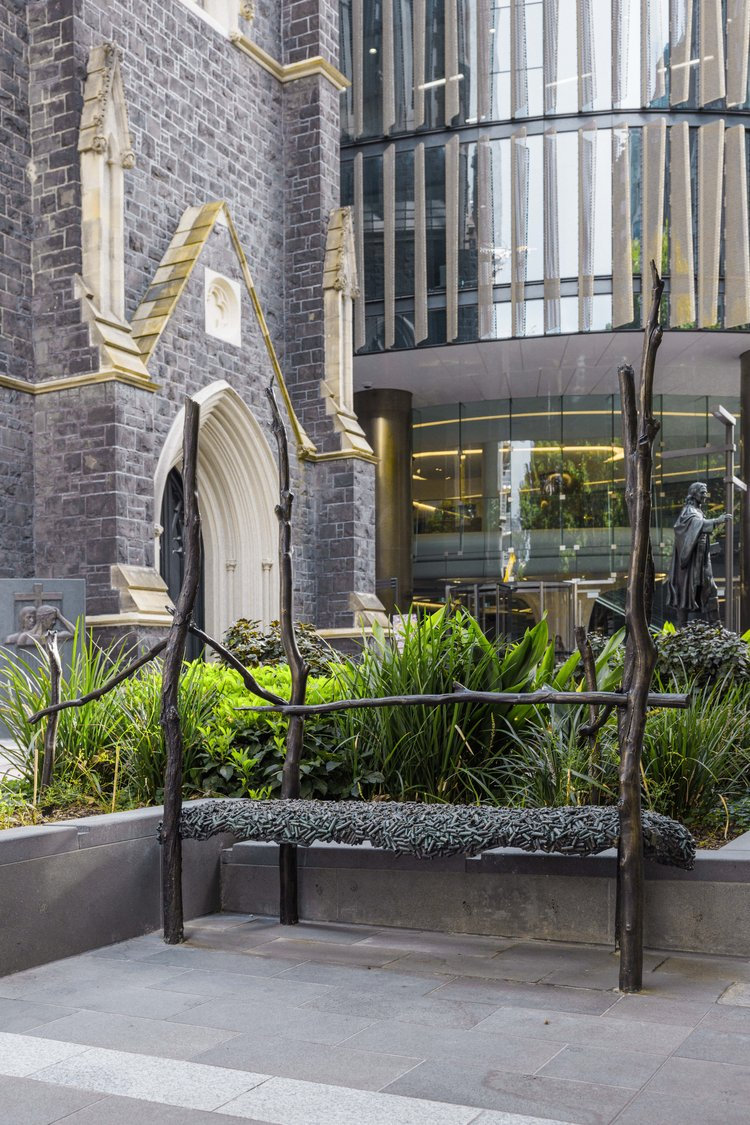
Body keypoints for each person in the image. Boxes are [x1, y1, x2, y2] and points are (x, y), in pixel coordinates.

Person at [666, 482, 730, 627]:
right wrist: (716, 520)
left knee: (709, 589)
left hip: (701, 560)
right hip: (691, 563)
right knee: (686, 593)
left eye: (705, 492)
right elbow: (690, 526)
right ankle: (681, 628)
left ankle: (715, 625)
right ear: (694, 493)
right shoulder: (689, 511)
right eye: (702, 492)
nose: (705, 495)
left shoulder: (697, 511)